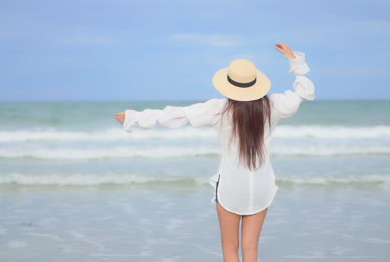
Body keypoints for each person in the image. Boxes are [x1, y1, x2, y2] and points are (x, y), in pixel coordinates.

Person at [114, 42, 315, 262]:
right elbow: (304, 92)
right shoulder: (273, 106)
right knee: (251, 249)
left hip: (230, 186)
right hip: (261, 185)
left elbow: (179, 115)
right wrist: (295, 60)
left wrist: (136, 117)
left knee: (230, 249)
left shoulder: (220, 109)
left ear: (230, 84)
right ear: (256, 82)